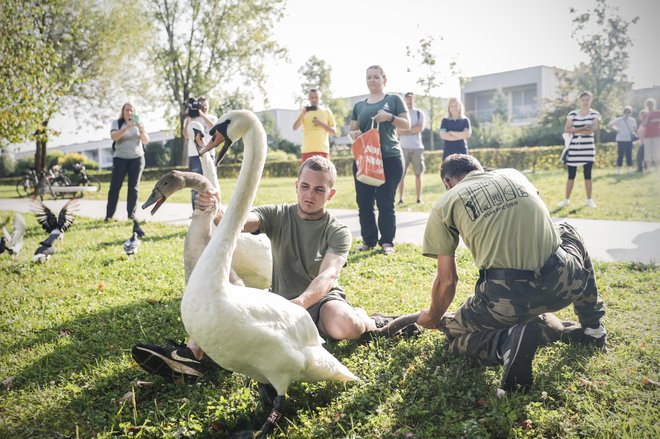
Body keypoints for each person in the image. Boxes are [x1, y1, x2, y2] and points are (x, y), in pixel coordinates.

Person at [132, 156, 418, 379]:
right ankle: (189, 357)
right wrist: (215, 206)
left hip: (319, 301)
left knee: (344, 325)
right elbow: (238, 223)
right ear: (296, 185)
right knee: (224, 304)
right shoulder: (278, 214)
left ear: (330, 194)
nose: (309, 195)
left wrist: (300, 304)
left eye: (319, 189)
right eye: (304, 186)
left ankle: (374, 323)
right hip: (278, 302)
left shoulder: (337, 230)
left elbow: (328, 275)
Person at [417, 154, 606, 392]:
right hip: (564, 281)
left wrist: (434, 317)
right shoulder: (514, 174)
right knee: (567, 230)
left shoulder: (445, 202)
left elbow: (447, 281)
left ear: (447, 183)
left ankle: (506, 342)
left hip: (505, 302)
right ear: (481, 168)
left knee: (452, 335)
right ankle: (592, 328)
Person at [348, 65, 410, 256]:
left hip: (389, 157)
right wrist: (354, 133)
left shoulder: (394, 99)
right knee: (364, 203)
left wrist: (389, 117)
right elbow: (351, 131)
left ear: (384, 79)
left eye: (376, 77)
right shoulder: (359, 106)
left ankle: (387, 242)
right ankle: (368, 241)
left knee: (385, 202)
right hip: (364, 159)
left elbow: (407, 124)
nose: (372, 80)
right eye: (369, 78)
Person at [106, 102, 149, 221]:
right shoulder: (117, 123)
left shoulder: (139, 124)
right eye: (127, 110)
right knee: (115, 187)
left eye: (131, 110)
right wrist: (128, 126)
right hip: (120, 158)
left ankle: (131, 215)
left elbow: (145, 141)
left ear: (134, 112)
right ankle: (109, 215)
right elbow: (114, 137)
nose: (129, 112)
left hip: (137, 158)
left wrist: (140, 129)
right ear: (123, 112)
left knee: (133, 188)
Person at [558, 91, 600, 208]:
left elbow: (591, 130)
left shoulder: (595, 114)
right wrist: (583, 127)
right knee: (571, 176)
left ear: (591, 100)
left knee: (588, 175)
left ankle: (589, 200)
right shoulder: (573, 114)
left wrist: (575, 129)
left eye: (588, 99)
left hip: (588, 149)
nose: (585, 102)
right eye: (583, 100)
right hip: (574, 149)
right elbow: (567, 129)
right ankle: (566, 200)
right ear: (579, 101)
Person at [183, 95, 218, 208]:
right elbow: (185, 134)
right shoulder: (190, 119)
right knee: (195, 184)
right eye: (201, 105)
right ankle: (196, 211)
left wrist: (202, 115)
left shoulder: (212, 118)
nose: (203, 107)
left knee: (211, 183)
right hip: (194, 155)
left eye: (205, 105)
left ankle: (211, 210)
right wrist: (188, 117)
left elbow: (214, 130)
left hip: (209, 154)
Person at [292, 89, 337, 162]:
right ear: (309, 98)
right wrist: (302, 115)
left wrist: (321, 124)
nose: (314, 99)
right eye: (312, 97)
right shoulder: (305, 112)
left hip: (323, 150)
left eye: (316, 97)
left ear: (320, 98)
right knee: (306, 173)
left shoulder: (327, 112)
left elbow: (334, 132)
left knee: (324, 173)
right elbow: (294, 128)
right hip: (307, 150)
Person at [397, 92, 426, 205]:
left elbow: (419, 128)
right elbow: (397, 131)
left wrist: (405, 130)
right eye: (407, 99)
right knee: (401, 175)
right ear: (405, 100)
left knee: (418, 174)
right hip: (402, 147)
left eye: (411, 99)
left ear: (414, 100)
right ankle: (400, 199)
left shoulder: (419, 113)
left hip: (417, 148)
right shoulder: (400, 115)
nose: (409, 101)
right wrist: (411, 130)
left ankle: (418, 199)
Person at [607, 106, 638, 174]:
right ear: (623, 112)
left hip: (629, 139)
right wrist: (616, 130)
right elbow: (609, 125)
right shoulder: (619, 120)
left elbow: (635, 128)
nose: (627, 113)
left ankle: (629, 169)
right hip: (621, 139)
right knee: (620, 154)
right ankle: (619, 169)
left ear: (631, 113)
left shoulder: (632, 120)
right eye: (626, 112)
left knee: (629, 154)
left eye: (629, 112)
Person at [639, 98, 660, 171]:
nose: (650, 106)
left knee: (656, 151)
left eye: (651, 104)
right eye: (648, 104)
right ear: (646, 105)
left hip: (657, 135)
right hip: (647, 136)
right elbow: (644, 125)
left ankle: (657, 168)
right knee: (647, 152)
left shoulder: (658, 113)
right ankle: (648, 168)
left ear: (654, 105)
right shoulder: (645, 114)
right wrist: (649, 115)